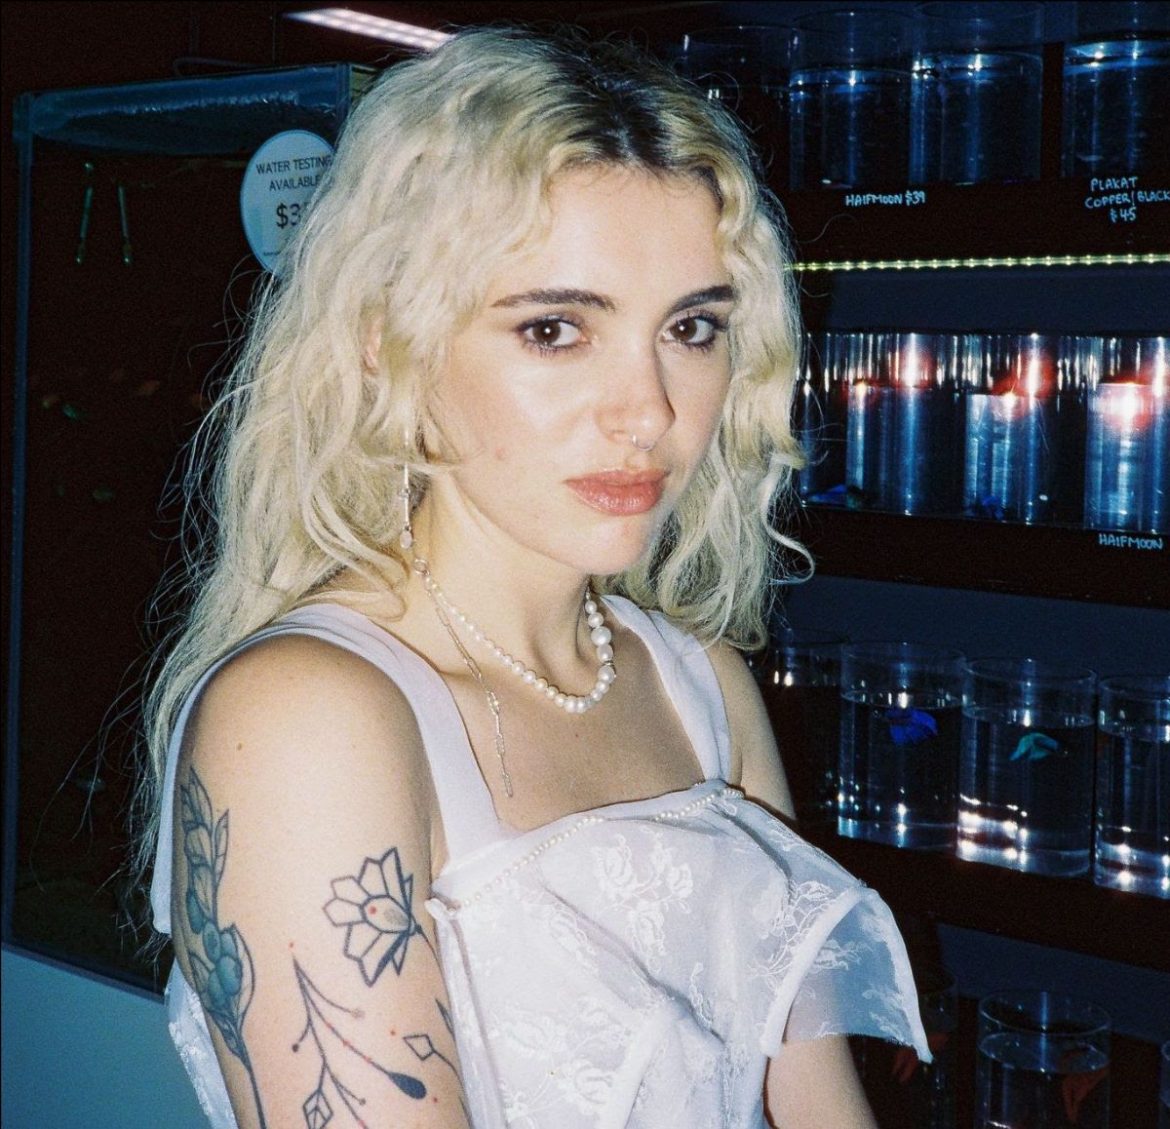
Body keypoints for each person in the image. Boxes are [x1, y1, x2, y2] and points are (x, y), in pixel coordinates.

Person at [139, 25, 929, 1129]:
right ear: (387, 340)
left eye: (692, 327)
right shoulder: (308, 715)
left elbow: (815, 1100)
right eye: (555, 328)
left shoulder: (700, 684)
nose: (648, 410)